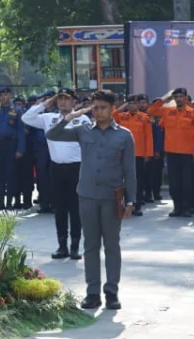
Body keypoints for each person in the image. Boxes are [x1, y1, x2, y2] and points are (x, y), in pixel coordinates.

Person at [46, 90, 137, 312]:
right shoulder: (83, 130)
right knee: (91, 246)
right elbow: (52, 134)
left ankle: (112, 292)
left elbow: (130, 171)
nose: (97, 111)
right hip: (87, 196)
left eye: (102, 108)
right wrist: (71, 115)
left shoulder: (124, 136)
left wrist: (131, 201)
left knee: (112, 246)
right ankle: (92, 293)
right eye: (94, 107)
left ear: (112, 109)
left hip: (111, 198)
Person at [23, 89, 91, 259]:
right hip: (56, 168)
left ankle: (75, 246)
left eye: (67, 99)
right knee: (59, 208)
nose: (62, 102)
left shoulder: (82, 119)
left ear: (74, 102)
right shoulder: (49, 118)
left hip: (77, 168)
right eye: (60, 99)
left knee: (75, 209)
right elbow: (26, 118)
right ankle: (62, 246)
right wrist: (46, 103)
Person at [147, 87, 194, 217]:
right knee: (174, 183)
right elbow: (151, 110)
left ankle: (187, 208)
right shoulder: (168, 111)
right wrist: (166, 99)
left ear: (186, 98)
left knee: (187, 182)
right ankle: (177, 207)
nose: (179, 99)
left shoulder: (192, 113)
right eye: (176, 97)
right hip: (171, 152)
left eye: (181, 97)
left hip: (187, 153)